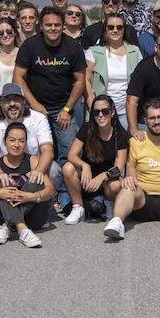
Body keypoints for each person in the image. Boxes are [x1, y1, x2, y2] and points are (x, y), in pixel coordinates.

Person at [14, 6, 87, 209]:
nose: (53, 28)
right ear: (41, 25)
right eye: (48, 25)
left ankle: (65, 195)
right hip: (35, 108)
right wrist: (35, 105)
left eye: (57, 24)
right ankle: (37, 190)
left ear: (63, 26)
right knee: (34, 150)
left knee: (68, 152)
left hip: (63, 107)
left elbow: (80, 81)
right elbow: (18, 78)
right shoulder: (30, 46)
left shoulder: (72, 47)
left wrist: (67, 109)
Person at [102, 99, 160, 240]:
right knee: (128, 186)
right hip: (143, 200)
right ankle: (116, 223)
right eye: (152, 118)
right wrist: (129, 178)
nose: (156, 122)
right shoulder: (136, 142)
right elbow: (131, 173)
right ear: (145, 120)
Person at [61, 94, 129, 224]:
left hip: (107, 181)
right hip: (87, 179)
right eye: (96, 112)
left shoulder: (120, 134)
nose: (101, 115)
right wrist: (84, 166)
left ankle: (110, 208)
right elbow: (72, 155)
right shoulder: (87, 128)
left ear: (113, 112)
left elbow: (119, 168)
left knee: (116, 185)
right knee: (68, 168)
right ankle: (78, 208)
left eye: (105, 111)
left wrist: (102, 176)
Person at [0, 84, 56, 198]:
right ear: (0, 103)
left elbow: (48, 150)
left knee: (54, 169)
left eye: (16, 99)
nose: (12, 104)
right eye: (7, 100)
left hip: (33, 170)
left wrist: (39, 170)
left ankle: (44, 203)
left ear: (23, 102)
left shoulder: (39, 119)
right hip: (3, 170)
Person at [0, 123, 51, 248]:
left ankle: (8, 226)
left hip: (32, 216)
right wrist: (0, 193)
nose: (16, 145)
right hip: (2, 214)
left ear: (26, 143)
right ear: (5, 141)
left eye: (21, 141)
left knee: (35, 178)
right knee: (1, 181)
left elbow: (49, 190)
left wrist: (30, 196)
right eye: (12, 140)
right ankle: (22, 229)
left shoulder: (33, 161)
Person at [85, 12, 139, 129]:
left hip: (127, 111)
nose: (115, 30)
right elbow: (86, 80)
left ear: (124, 30)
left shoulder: (135, 52)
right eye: (111, 27)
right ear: (105, 30)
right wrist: (92, 105)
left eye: (119, 27)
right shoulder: (94, 52)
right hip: (101, 112)